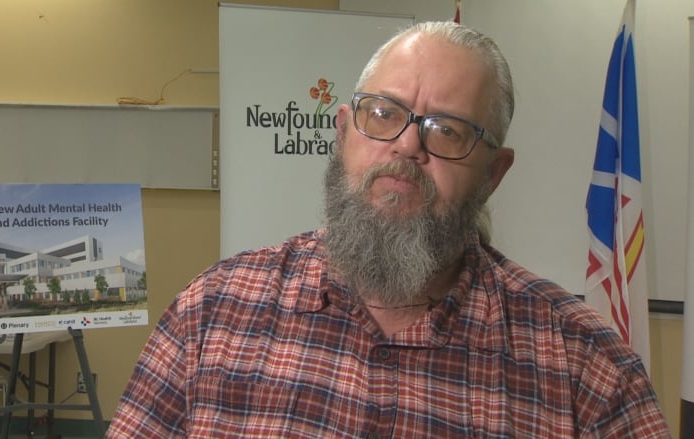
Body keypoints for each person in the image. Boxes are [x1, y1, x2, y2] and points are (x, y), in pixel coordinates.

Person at [106, 21, 671, 438]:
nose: (405, 146)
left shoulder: (586, 368)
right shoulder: (210, 313)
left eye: (447, 130)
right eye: (384, 114)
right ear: (345, 133)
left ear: (494, 174)